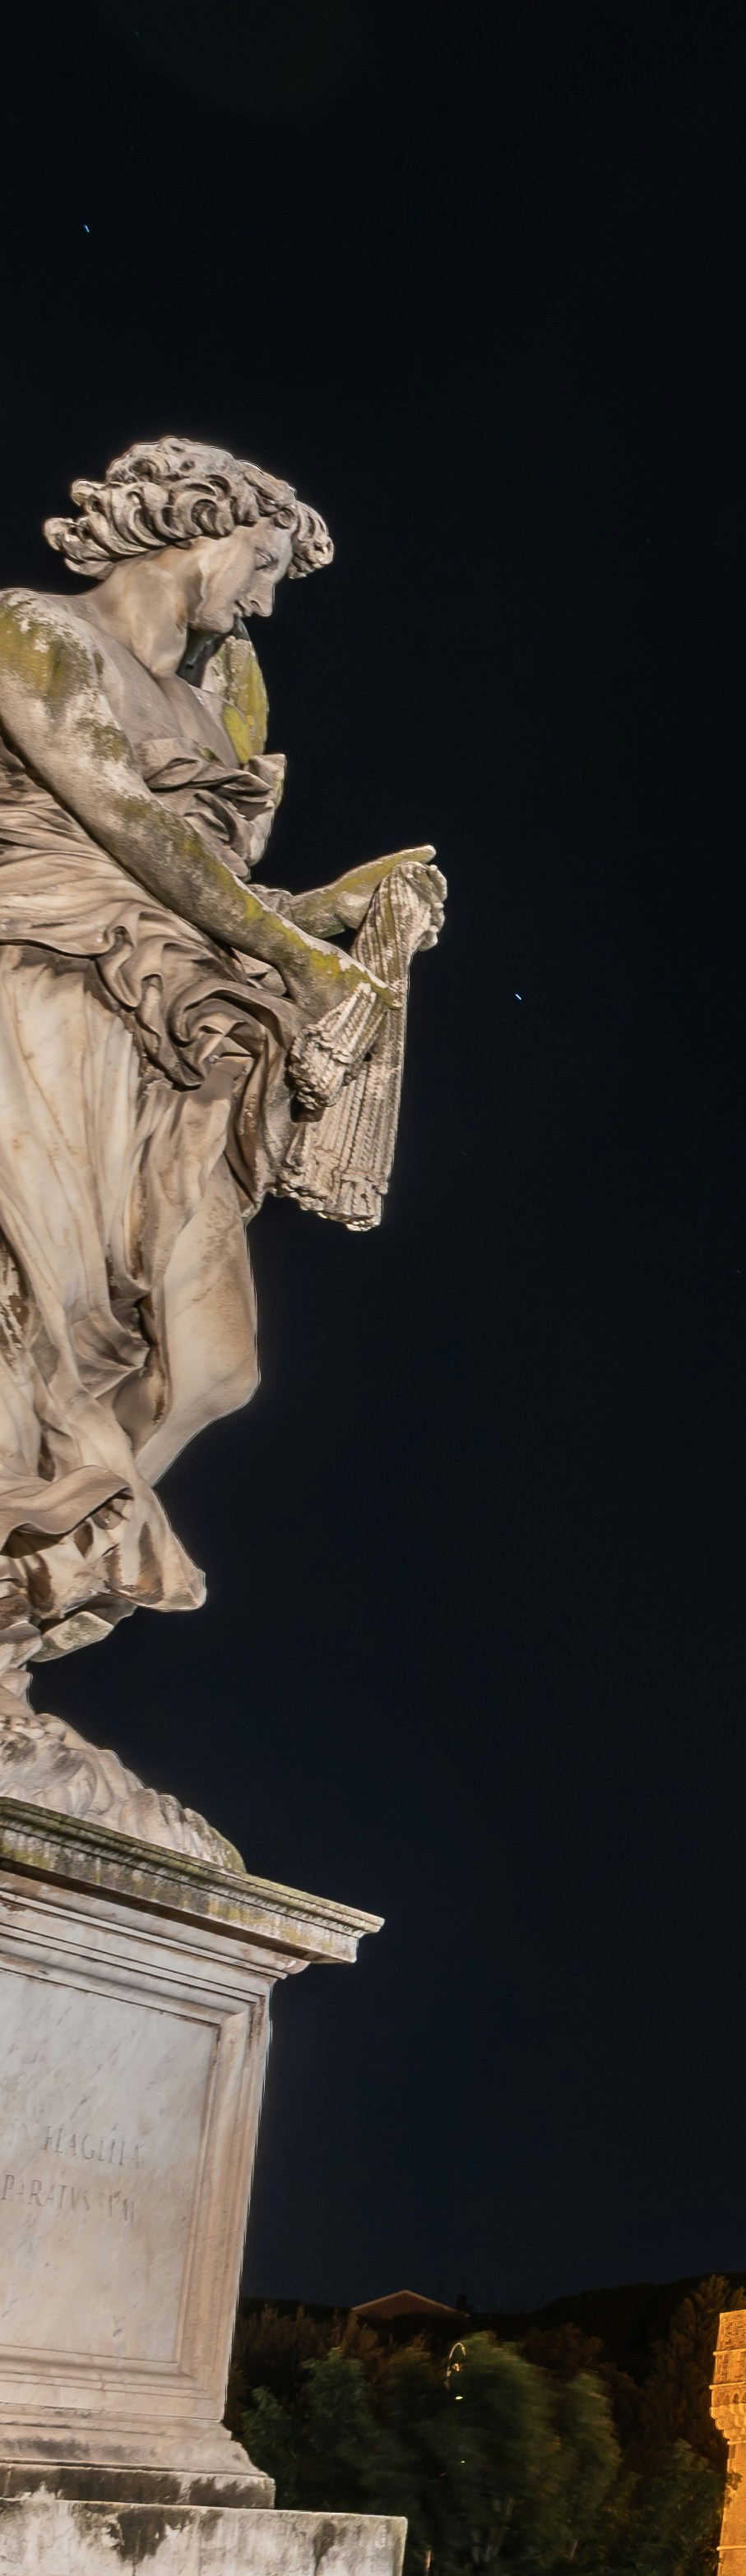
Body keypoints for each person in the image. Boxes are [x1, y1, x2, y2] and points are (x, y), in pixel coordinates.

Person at [0, 439, 440, 1826]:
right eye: (260, 562)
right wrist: (288, 955)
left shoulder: (212, 707)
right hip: (51, 990)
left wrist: (338, 914)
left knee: (215, 1369)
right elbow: (118, 818)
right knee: (42, 1322)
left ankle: (25, 1603)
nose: (257, 598)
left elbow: (205, 882)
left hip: (180, 1027)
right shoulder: (37, 631)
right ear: (200, 522)